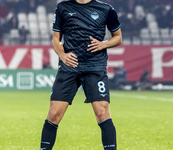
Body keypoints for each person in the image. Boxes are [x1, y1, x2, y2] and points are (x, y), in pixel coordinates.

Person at [40, 0, 122, 150]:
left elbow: (118, 37)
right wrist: (62, 55)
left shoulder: (106, 9)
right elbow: (56, 39)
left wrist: (104, 44)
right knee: (54, 114)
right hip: (69, 67)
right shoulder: (62, 7)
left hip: (95, 67)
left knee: (102, 113)